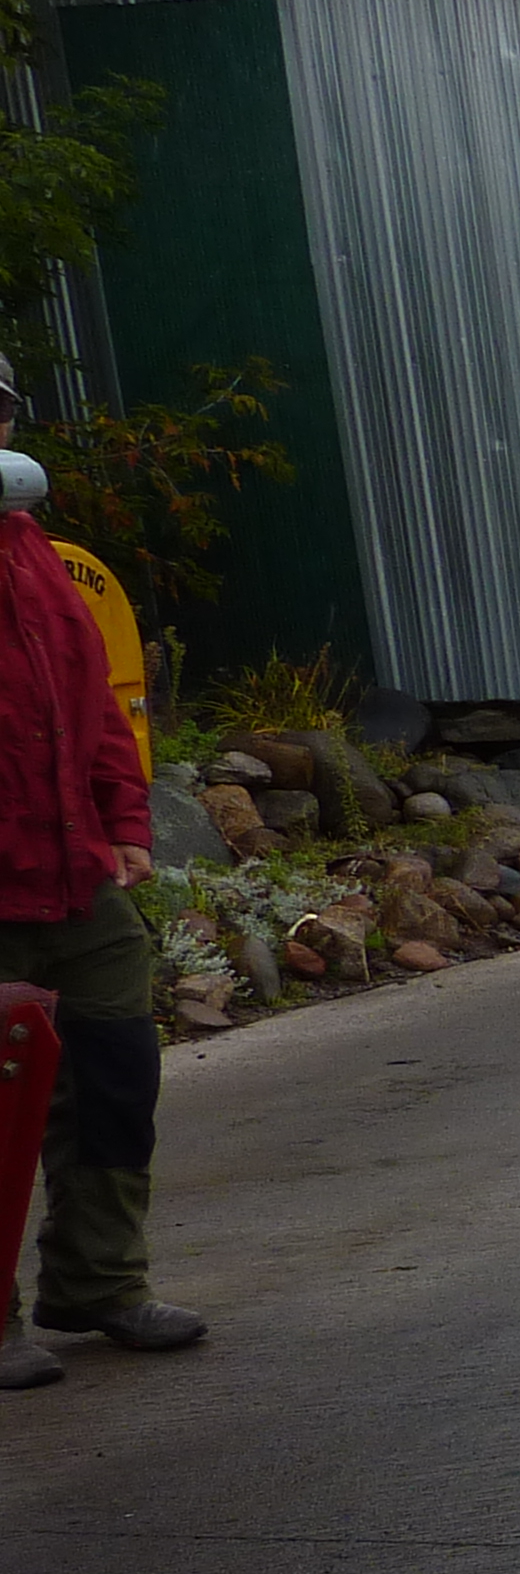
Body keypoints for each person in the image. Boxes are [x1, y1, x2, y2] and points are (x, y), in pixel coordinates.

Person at [0, 353, 206, 1386]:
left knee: (115, 1074)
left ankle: (97, 1284)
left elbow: (92, 705)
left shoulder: (32, 552)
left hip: (70, 873)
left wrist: (124, 821)